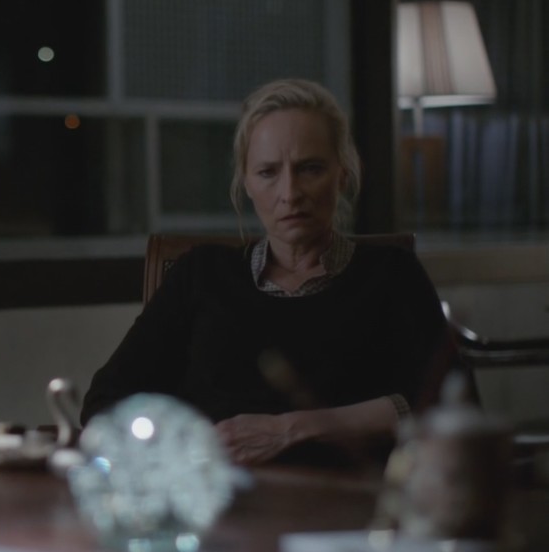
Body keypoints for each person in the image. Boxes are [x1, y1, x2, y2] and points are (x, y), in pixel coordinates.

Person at [80, 78, 456, 465]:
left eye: (310, 169)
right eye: (268, 172)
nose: (290, 193)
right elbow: (105, 403)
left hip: (350, 494)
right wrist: (195, 444)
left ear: (342, 175)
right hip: (218, 489)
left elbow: (451, 405)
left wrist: (292, 429)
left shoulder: (391, 274)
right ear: (245, 182)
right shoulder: (201, 274)